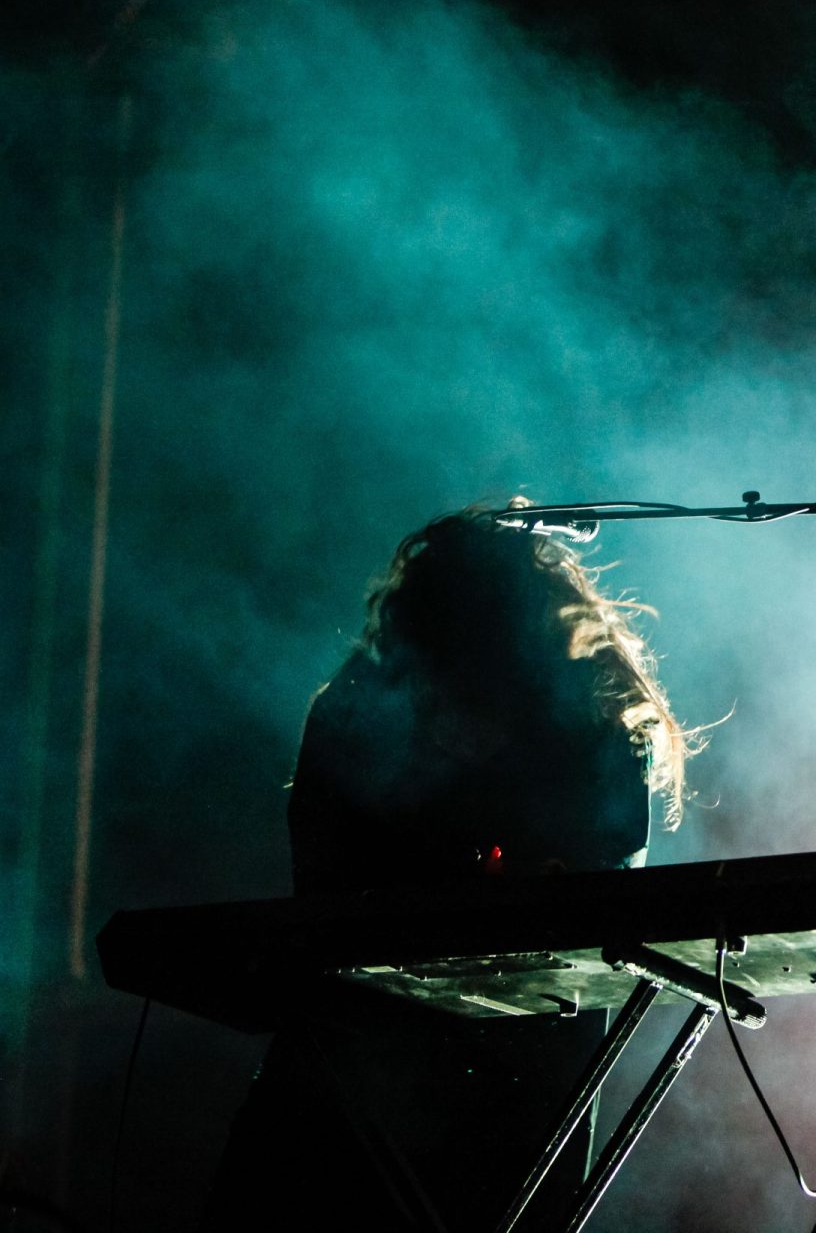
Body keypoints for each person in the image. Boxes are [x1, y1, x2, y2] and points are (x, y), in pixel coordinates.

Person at [204, 501, 696, 1230]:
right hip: (360, 1076)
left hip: (509, 1087)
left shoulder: (586, 724)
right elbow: (327, 887)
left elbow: (599, 899)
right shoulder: (361, 709)